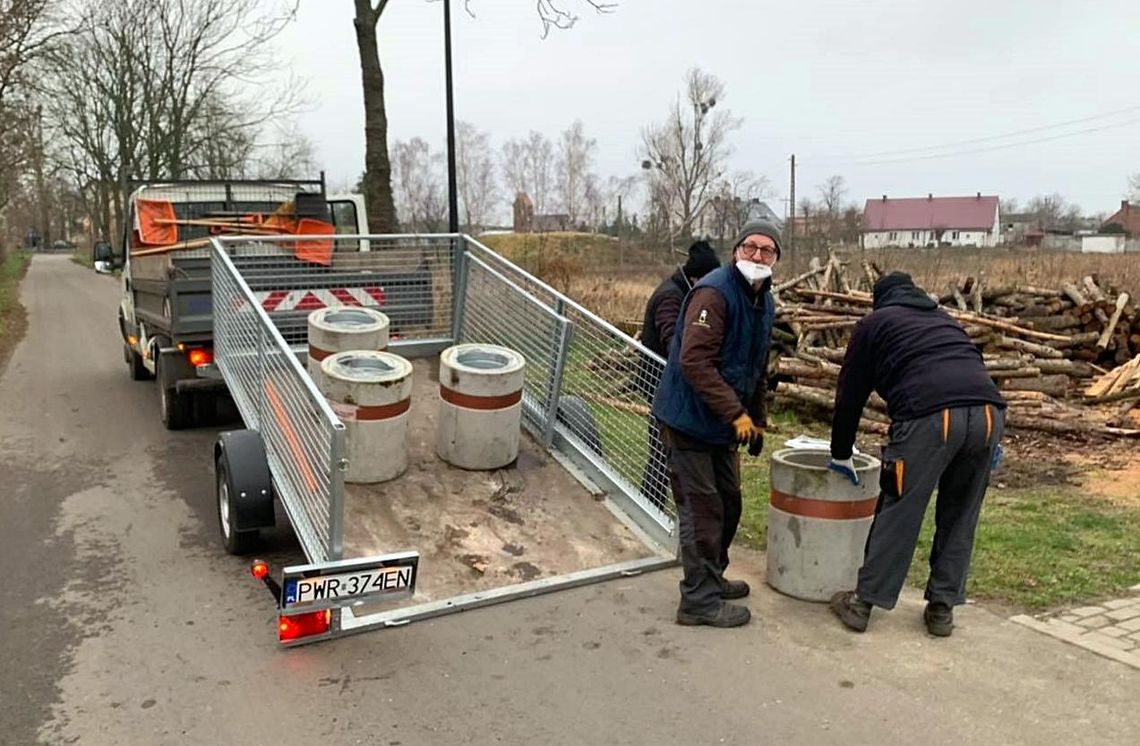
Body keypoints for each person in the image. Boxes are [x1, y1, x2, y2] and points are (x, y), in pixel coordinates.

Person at [827, 271, 1007, 637]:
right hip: (989, 416)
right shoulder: (945, 320)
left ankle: (862, 603)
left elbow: (850, 396)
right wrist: (990, 443)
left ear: (881, 300)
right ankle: (942, 609)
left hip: (930, 418)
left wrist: (841, 451)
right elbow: (971, 373)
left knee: (900, 509)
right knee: (961, 514)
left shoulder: (874, 324)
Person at [651, 221, 780, 628]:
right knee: (702, 511)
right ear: (737, 249)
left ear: (776, 259)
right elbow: (694, 361)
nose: (757, 256)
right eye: (750, 247)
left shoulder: (764, 302)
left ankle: (711, 577)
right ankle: (697, 602)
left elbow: (756, 365)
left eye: (767, 250)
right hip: (689, 422)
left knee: (729, 503)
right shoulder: (714, 292)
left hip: (721, 426)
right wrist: (735, 413)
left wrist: (756, 420)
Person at [637, 240, 722, 511]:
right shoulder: (671, 297)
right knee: (663, 452)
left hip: (667, 383)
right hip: (661, 384)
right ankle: (650, 510)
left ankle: (654, 510)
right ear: (698, 277)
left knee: (666, 453)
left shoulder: (680, 290)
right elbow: (674, 341)